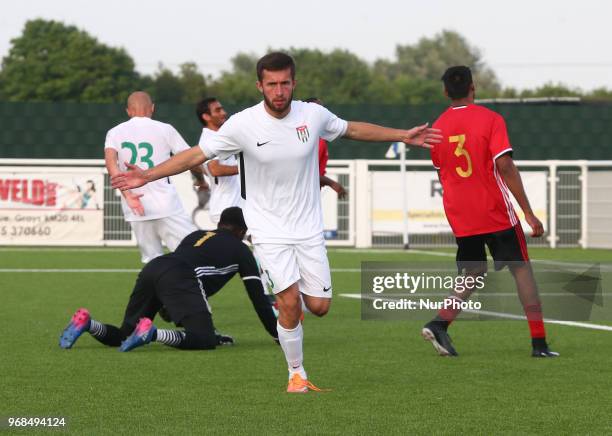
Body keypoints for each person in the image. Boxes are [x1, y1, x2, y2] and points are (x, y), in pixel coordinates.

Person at [111, 52, 442, 392]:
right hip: (267, 230)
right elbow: (197, 155)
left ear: (294, 83)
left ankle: (293, 327)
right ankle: (296, 373)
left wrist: (402, 135)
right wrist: (147, 176)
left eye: (285, 83)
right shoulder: (242, 124)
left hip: (308, 228)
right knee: (288, 303)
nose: (279, 90)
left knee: (319, 306)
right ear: (260, 86)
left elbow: (352, 128)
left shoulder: (312, 115)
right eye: (272, 84)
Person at [421, 66, 558, 358]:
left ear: (445, 92)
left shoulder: (437, 128)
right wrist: (529, 213)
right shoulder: (491, 119)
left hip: (460, 213)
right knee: (522, 271)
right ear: (474, 87)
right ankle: (539, 344)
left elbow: (444, 171)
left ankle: (439, 323)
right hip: (493, 210)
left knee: (474, 271)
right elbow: (504, 165)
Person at [59, 207, 278, 351]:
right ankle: (153, 334)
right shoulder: (241, 250)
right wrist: (278, 336)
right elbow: (258, 300)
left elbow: (177, 287)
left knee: (124, 334)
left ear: (221, 223)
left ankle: (88, 324)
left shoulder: (197, 234)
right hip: (180, 275)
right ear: (242, 230)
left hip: (155, 267)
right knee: (204, 339)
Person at [104, 91, 209, 263]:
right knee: (191, 255)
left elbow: (111, 164)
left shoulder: (114, 132)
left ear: (128, 111)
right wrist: (201, 180)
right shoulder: (165, 129)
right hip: (166, 205)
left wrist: (128, 195)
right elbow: (190, 159)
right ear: (152, 108)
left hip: (135, 207)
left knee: (152, 262)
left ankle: (159, 289)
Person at [196, 97, 243, 225]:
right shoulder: (209, 139)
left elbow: (200, 168)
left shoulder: (222, 136)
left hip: (236, 206)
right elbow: (214, 169)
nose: (223, 113)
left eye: (222, 109)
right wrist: (244, 168)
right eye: (218, 110)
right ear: (206, 116)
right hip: (226, 208)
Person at [305, 97, 347, 199]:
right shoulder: (311, 140)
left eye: (322, 109)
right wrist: (333, 184)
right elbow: (307, 173)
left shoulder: (318, 138)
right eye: (316, 109)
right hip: (303, 197)